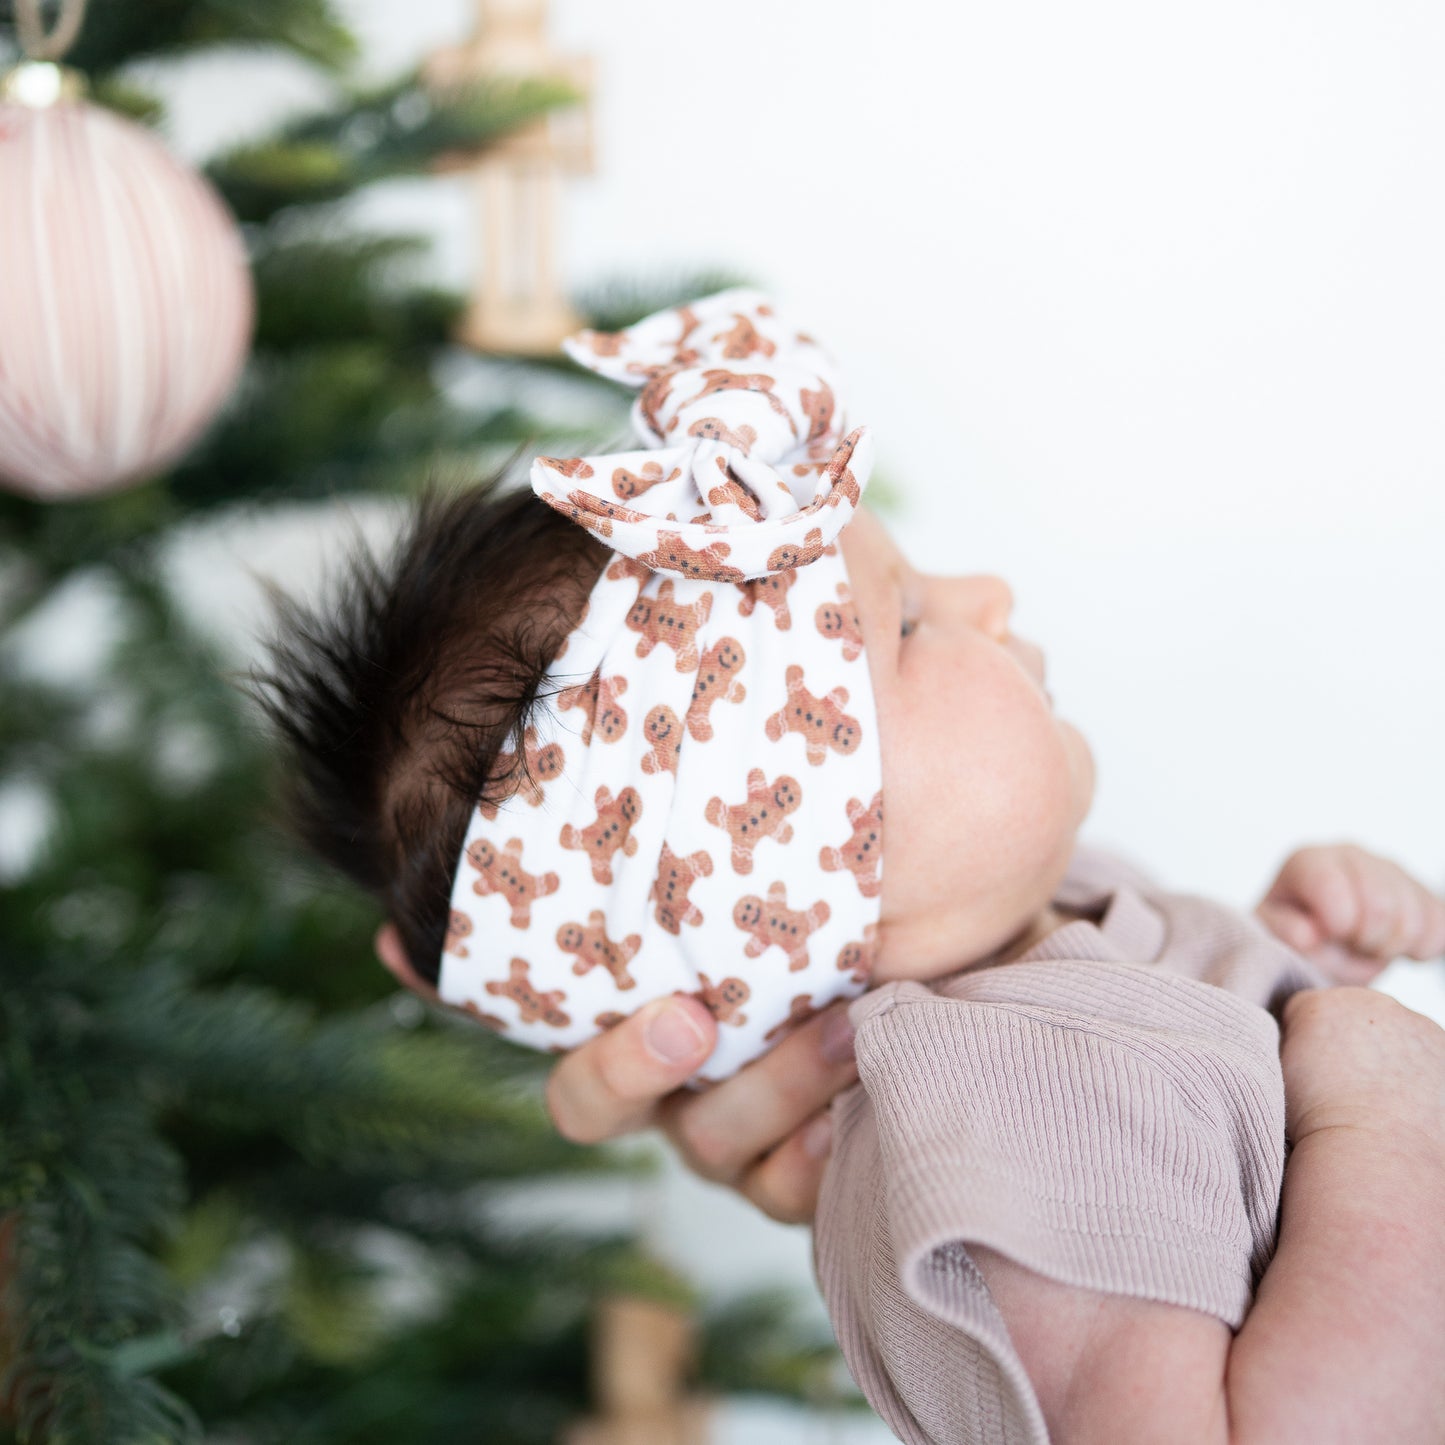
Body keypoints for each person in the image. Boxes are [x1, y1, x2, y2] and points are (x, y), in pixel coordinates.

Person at [259, 290, 1445, 1441]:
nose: (987, 597)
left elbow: (1218, 1177)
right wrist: (1381, 1094)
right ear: (795, 874)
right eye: (911, 624)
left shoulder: (1057, 946)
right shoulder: (999, 1103)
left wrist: (1282, 964)